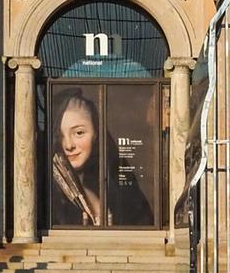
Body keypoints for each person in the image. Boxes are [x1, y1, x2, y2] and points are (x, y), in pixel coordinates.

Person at [48, 89, 153, 227]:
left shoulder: (117, 184)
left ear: (95, 134)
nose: (68, 145)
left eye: (79, 133)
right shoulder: (50, 191)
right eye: (59, 136)